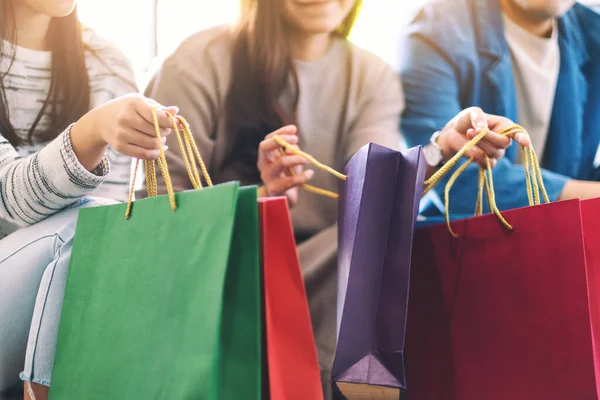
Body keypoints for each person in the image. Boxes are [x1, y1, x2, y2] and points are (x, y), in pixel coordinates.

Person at [146, 0, 527, 397]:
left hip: (333, 272)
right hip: (227, 269)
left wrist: (440, 151)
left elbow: (374, 192)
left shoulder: (370, 76)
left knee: (394, 245)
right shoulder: (199, 60)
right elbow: (163, 214)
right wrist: (260, 198)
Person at [0, 1, 180, 399]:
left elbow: (111, 228)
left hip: (57, 295)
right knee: (84, 230)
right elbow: (9, 200)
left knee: (98, 233)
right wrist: (91, 132)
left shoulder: (106, 62)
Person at [400, 0, 600, 215]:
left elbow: (582, 170)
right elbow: (449, 175)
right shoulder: (435, 29)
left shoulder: (592, 32)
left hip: (566, 232)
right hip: (461, 237)